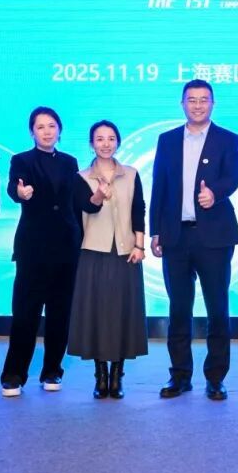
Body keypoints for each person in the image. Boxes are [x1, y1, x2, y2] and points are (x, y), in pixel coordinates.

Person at [150, 79, 238, 400]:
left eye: (204, 100)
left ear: (213, 104)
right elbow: (159, 185)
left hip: (214, 237)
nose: (198, 105)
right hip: (175, 236)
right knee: (179, 308)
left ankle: (215, 377)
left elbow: (232, 178)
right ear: (182, 104)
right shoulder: (167, 140)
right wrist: (156, 230)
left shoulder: (228, 139)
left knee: (218, 308)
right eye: (192, 99)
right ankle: (180, 375)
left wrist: (214, 193)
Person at [0, 107, 82, 396]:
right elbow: (14, 187)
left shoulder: (70, 162)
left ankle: (52, 371)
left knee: (60, 313)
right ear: (32, 132)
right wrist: (19, 193)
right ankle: (14, 374)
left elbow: (75, 203)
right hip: (33, 247)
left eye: (51, 126)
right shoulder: (21, 160)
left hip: (66, 247)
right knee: (25, 313)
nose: (47, 131)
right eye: (40, 127)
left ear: (60, 130)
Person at [69, 120, 148, 399]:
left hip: (126, 252)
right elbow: (85, 207)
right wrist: (98, 196)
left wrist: (140, 244)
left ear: (118, 142)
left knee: (123, 313)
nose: (105, 144)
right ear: (91, 144)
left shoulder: (131, 174)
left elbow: (139, 209)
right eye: (100, 139)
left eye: (111, 138)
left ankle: (118, 375)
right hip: (93, 251)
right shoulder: (80, 177)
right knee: (97, 314)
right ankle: (100, 374)